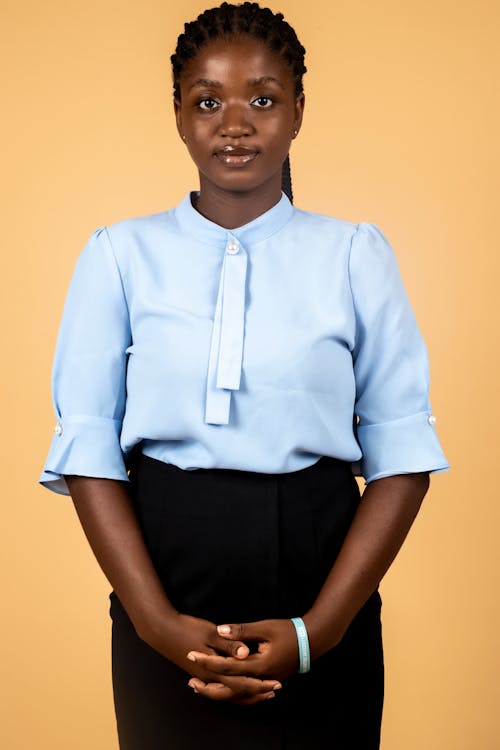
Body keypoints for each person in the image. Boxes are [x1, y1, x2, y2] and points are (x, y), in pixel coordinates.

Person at [38, 3, 450, 748]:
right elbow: (88, 446)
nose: (235, 123)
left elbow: (403, 455)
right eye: (208, 100)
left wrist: (317, 633)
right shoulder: (119, 256)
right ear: (177, 114)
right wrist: (155, 622)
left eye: (263, 98)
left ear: (297, 112)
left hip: (323, 582)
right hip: (159, 577)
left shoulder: (354, 254)